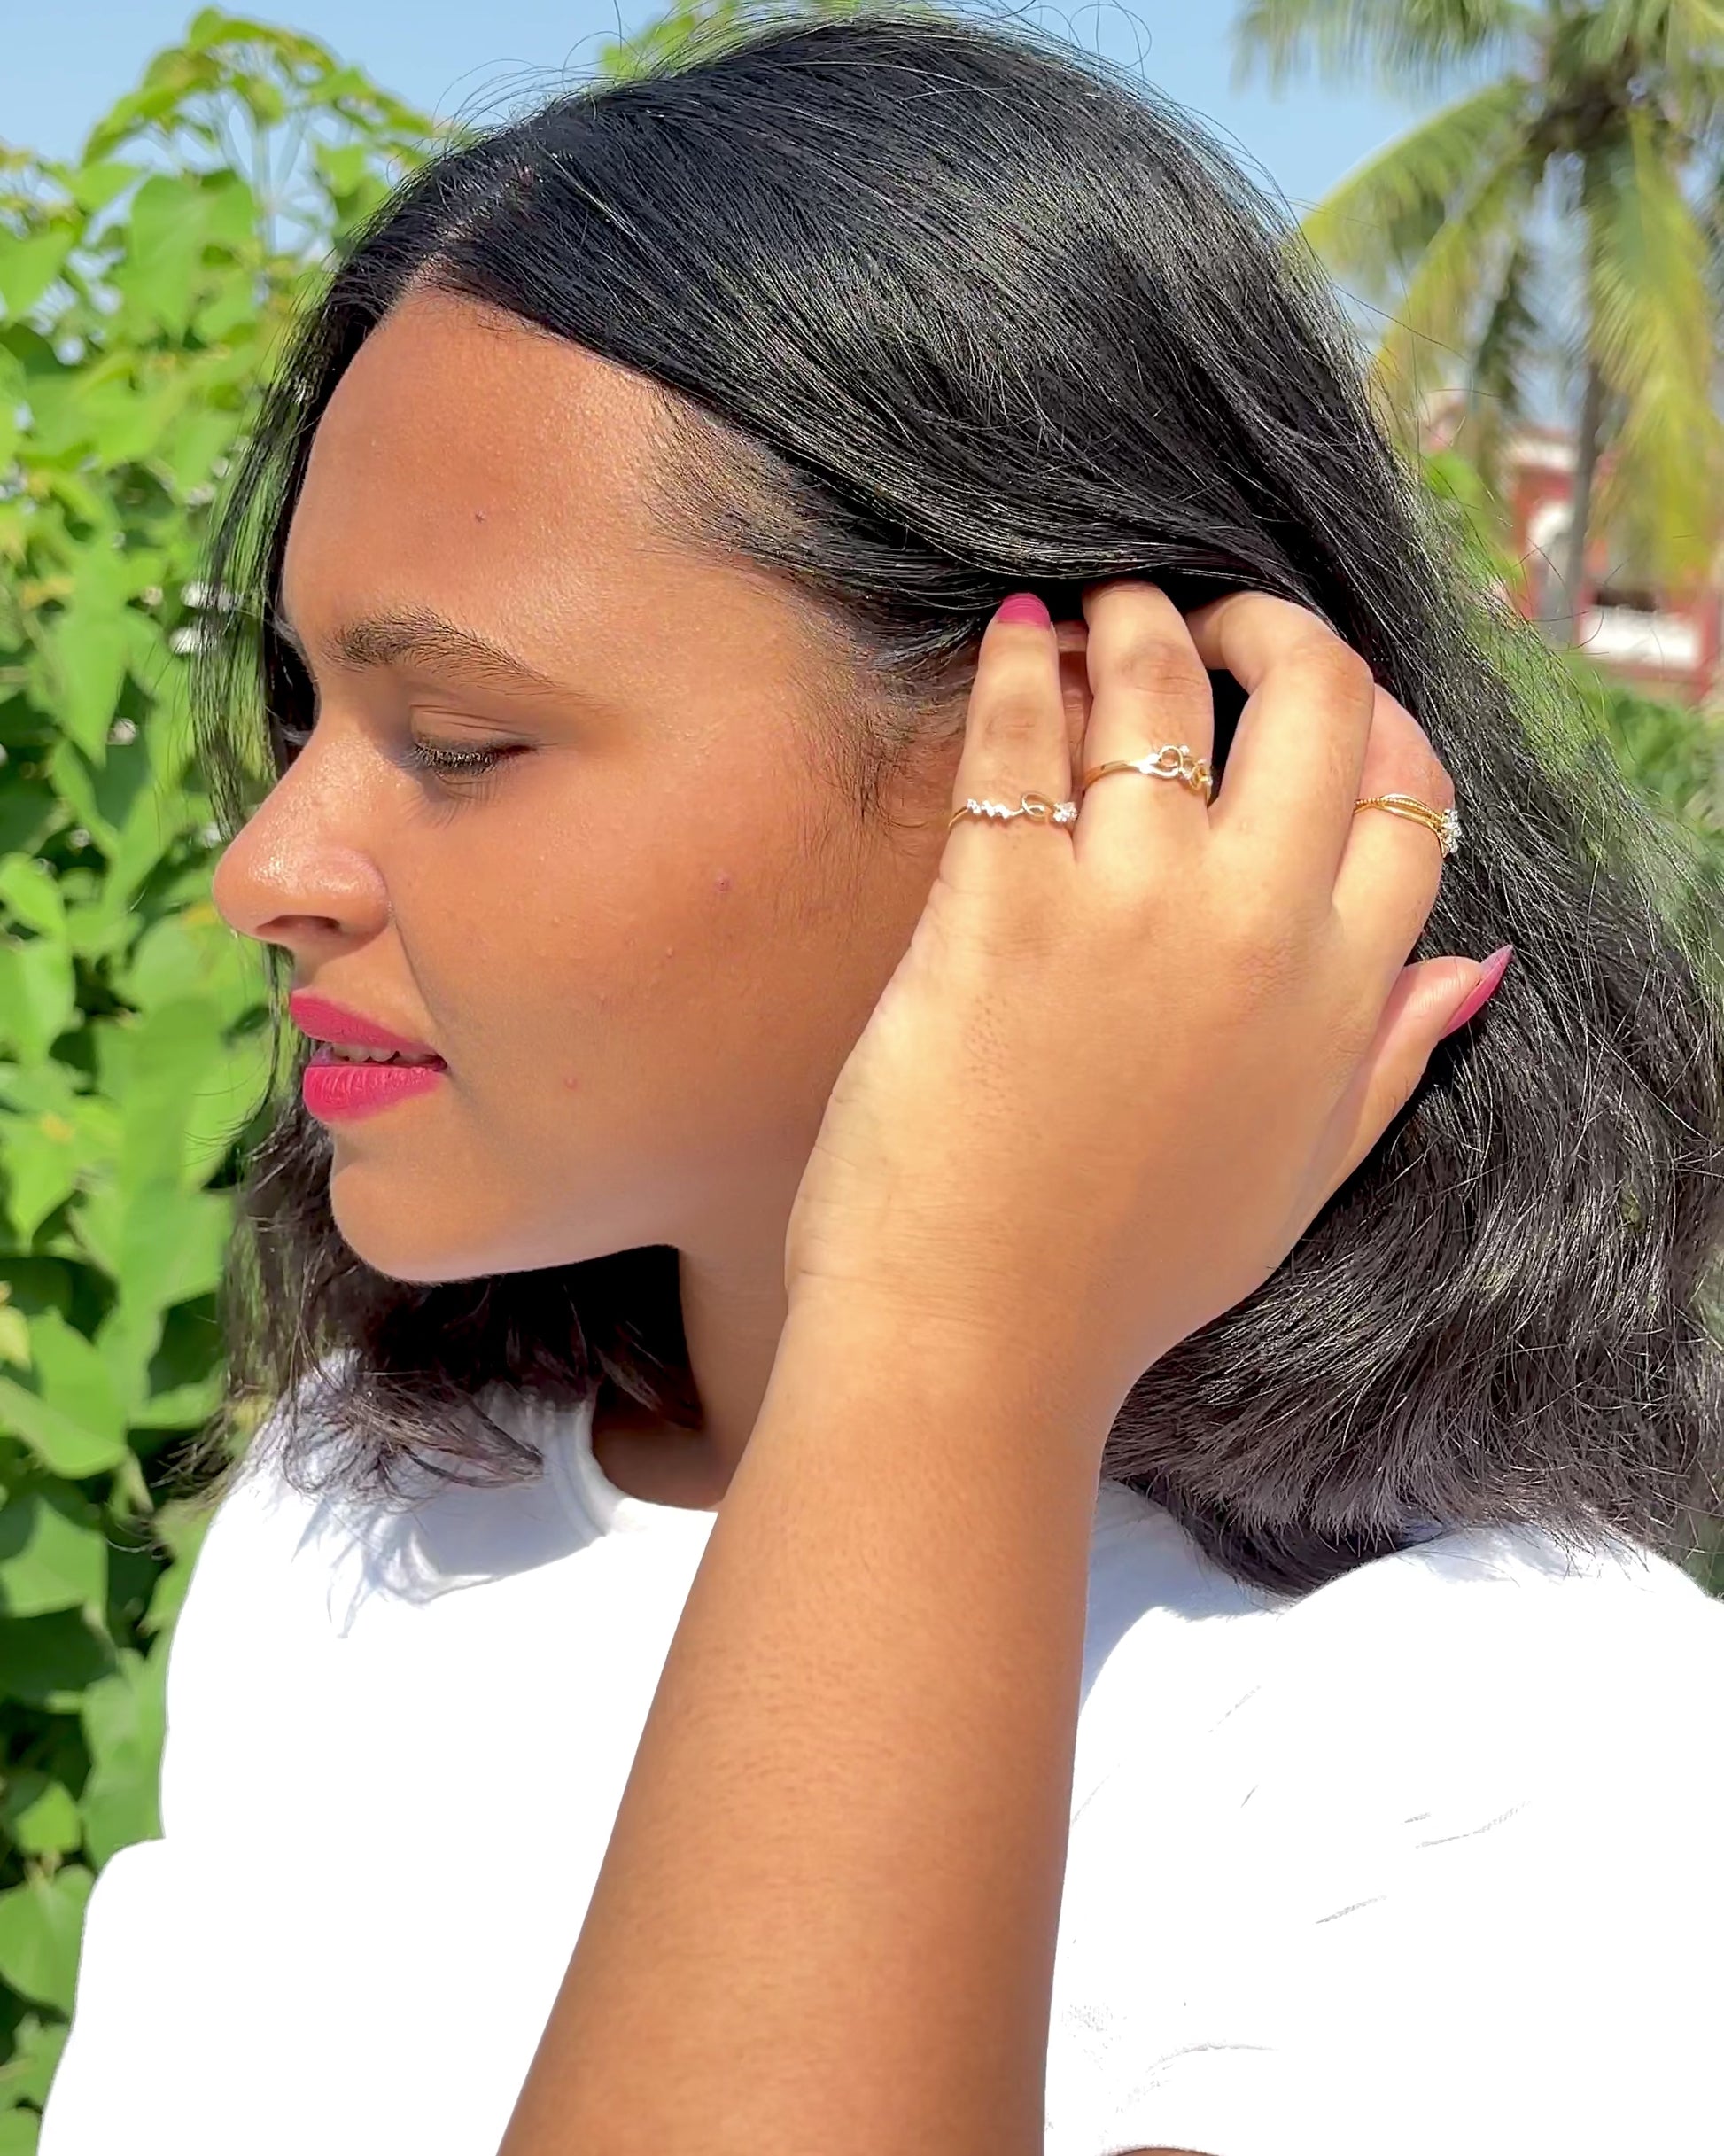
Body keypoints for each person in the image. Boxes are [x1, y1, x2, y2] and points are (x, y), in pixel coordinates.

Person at [38, 12, 1724, 2155]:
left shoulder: (1503, 1747)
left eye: (459, 741)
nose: (264, 867)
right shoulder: (367, 1516)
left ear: (1105, 744)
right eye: (299, 710)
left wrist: (950, 1337)